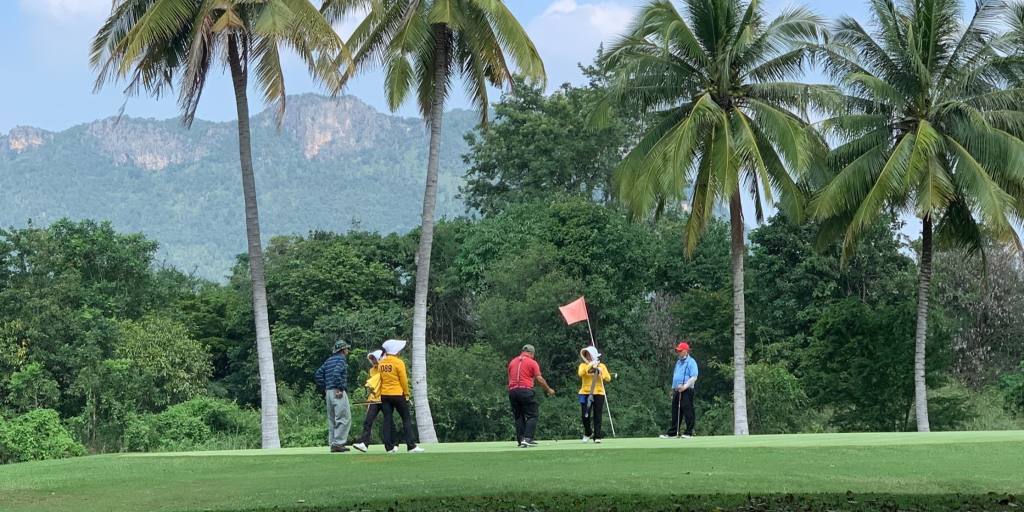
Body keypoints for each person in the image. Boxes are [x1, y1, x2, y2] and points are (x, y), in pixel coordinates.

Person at [377, 339, 424, 453]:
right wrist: (407, 394)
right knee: (406, 418)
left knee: (387, 420)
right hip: (397, 394)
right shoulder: (399, 362)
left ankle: (389, 447)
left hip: (384, 395)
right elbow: (403, 380)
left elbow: (380, 379)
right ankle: (411, 445)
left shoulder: (381, 363)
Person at [507, 344, 556, 448]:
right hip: (525, 390)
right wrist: (548, 389)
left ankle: (521, 439)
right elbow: (539, 379)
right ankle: (528, 438)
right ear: (532, 353)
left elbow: (510, 377)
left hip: (512, 391)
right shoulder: (532, 362)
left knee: (519, 416)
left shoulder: (512, 362)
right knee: (532, 415)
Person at [314, 340, 352, 452]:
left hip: (329, 392)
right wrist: (340, 388)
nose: (347, 350)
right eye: (346, 348)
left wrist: (325, 387)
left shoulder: (329, 360)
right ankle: (338, 443)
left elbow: (318, 374)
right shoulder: (341, 359)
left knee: (332, 418)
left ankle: (333, 443)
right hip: (337, 391)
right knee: (344, 417)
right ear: (342, 350)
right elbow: (336, 374)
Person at [660, 341, 698, 439]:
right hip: (677, 390)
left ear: (685, 351)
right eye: (678, 351)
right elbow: (675, 376)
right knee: (675, 411)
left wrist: (685, 386)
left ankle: (689, 432)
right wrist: (673, 389)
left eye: (680, 351)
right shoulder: (678, 362)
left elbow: (694, 377)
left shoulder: (691, 362)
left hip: (687, 389)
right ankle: (673, 432)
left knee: (688, 410)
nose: (678, 353)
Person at [351, 349, 385, 453]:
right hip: (374, 399)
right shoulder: (372, 370)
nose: (373, 360)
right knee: (368, 421)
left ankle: (394, 444)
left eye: (375, 358)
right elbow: (372, 386)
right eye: (372, 359)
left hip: (384, 398)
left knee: (389, 421)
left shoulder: (384, 368)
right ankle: (364, 444)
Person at [577, 345, 612, 443]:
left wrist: (600, 372)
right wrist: (591, 365)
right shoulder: (583, 366)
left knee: (598, 414)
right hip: (585, 393)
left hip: (599, 393)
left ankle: (597, 436)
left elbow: (608, 378)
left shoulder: (602, 366)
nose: (588, 356)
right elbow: (580, 373)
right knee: (585, 415)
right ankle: (588, 432)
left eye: (589, 355)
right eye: (586, 355)